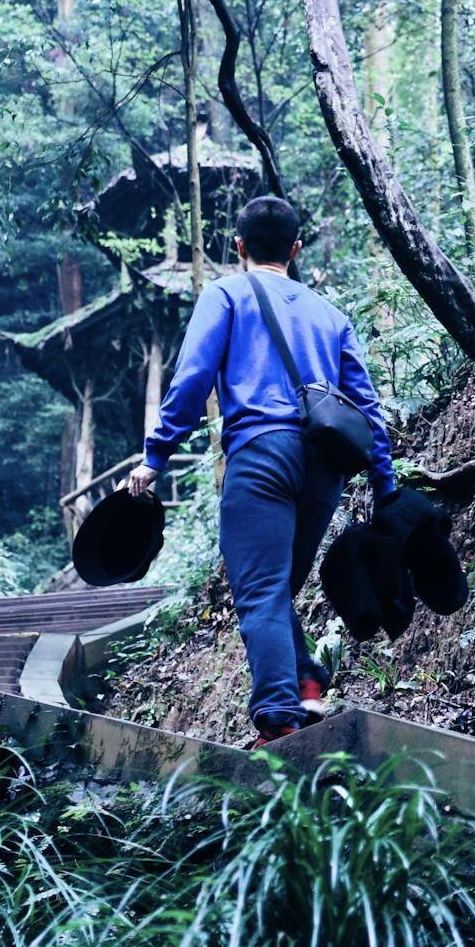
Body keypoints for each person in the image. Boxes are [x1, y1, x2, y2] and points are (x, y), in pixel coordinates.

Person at [126, 195, 395, 746]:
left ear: (239, 246)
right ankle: (308, 683)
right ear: (296, 250)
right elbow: (367, 409)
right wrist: (386, 485)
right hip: (325, 470)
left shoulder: (225, 294)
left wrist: (155, 457)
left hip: (262, 458)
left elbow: (193, 378)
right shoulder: (331, 315)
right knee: (273, 589)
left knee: (260, 591)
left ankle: (280, 720)